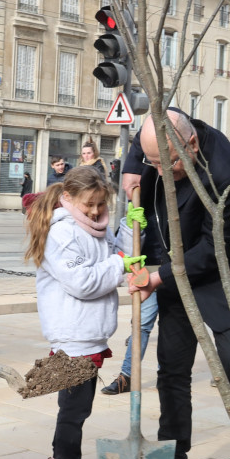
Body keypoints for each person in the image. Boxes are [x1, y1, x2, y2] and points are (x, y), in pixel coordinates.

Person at [130, 110, 230, 459]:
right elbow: (141, 147)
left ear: (192, 143)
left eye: (170, 162)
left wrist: (158, 276)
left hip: (223, 280)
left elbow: (217, 249)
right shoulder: (162, 142)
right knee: (172, 370)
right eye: (154, 163)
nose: (162, 171)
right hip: (174, 279)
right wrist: (133, 174)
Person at [26, 168, 129, 459]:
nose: (96, 211)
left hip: (89, 331)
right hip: (71, 333)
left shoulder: (96, 226)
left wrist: (129, 228)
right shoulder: (61, 232)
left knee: (77, 406)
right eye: (90, 204)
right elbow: (83, 282)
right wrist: (120, 262)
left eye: (102, 204)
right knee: (74, 408)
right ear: (68, 198)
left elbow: (119, 255)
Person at [102, 138, 158, 396]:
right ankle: (127, 376)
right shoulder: (142, 174)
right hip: (148, 263)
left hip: (182, 265)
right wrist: (131, 222)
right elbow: (125, 247)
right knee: (142, 323)